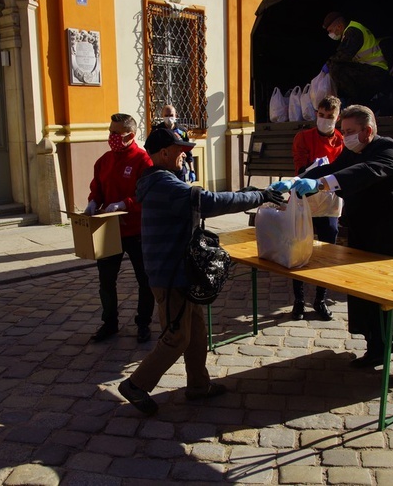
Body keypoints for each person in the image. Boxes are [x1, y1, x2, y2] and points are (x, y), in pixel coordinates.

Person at [118, 128, 284, 415]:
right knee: (177, 337)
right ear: (164, 153)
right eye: (180, 150)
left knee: (196, 333)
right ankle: (135, 385)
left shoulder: (164, 180)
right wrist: (259, 196)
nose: (186, 155)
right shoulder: (163, 184)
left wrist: (246, 194)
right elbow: (208, 202)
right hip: (169, 277)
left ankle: (198, 386)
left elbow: (207, 197)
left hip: (180, 272)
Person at [271, 105, 393, 384]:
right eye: (343, 132)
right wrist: (299, 179)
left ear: (368, 131)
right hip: (365, 230)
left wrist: (321, 185)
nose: (346, 137)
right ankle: (376, 347)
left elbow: (366, 172)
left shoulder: (388, 149)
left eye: (351, 132)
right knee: (366, 290)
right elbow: (333, 168)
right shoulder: (351, 150)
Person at [84, 113, 155, 344]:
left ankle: (143, 323)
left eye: (116, 133)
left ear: (130, 135)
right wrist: (93, 201)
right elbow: (97, 188)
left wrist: (126, 204)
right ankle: (109, 323)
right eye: (110, 131)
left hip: (136, 231)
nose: (111, 137)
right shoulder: (104, 161)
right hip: (109, 229)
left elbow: (147, 196)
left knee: (145, 280)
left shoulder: (143, 161)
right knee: (106, 279)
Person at [289, 95, 344, 321]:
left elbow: (344, 171)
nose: (325, 120)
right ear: (316, 114)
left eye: (330, 117)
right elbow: (301, 167)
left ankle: (320, 299)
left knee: (327, 253)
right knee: (299, 251)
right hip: (306, 201)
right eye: (321, 115)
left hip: (330, 205)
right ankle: (299, 300)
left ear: (337, 117)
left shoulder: (341, 140)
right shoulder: (303, 137)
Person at [321, 12, 390, 106]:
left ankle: (358, 100)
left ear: (340, 26)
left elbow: (343, 55)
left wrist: (328, 64)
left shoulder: (353, 31)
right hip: (372, 70)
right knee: (336, 66)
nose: (330, 34)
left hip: (377, 72)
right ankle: (358, 100)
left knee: (336, 68)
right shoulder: (351, 30)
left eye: (330, 31)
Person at [153, 104, 196, 183]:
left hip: (179, 167)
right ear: (162, 116)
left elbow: (188, 151)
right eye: (166, 115)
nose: (169, 118)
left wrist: (192, 170)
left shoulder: (182, 130)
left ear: (176, 115)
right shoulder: (157, 130)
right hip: (164, 168)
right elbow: (151, 149)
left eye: (171, 115)